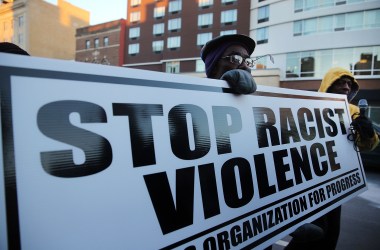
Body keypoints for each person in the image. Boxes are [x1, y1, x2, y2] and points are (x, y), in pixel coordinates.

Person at [285, 67, 379, 250]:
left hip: (335, 184)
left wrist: (368, 134)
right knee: (309, 236)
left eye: (349, 84)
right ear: (328, 84)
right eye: (341, 82)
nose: (346, 87)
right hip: (309, 181)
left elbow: (366, 145)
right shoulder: (308, 108)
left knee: (329, 236)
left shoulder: (352, 110)